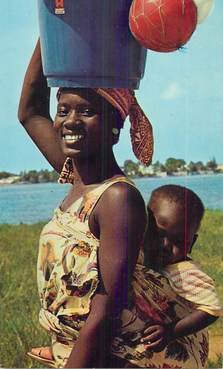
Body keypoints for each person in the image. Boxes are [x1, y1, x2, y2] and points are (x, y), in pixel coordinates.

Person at [18, 39, 155, 368]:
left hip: (107, 358)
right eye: (64, 110)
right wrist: (51, 26)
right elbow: (30, 112)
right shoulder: (76, 175)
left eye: (87, 111)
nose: (70, 121)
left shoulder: (117, 198)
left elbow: (106, 309)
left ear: (115, 129)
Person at [139, 184, 223, 368]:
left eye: (178, 241)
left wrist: (171, 331)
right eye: (159, 234)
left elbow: (212, 309)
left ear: (191, 243)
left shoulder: (185, 272)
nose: (166, 245)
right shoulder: (144, 256)